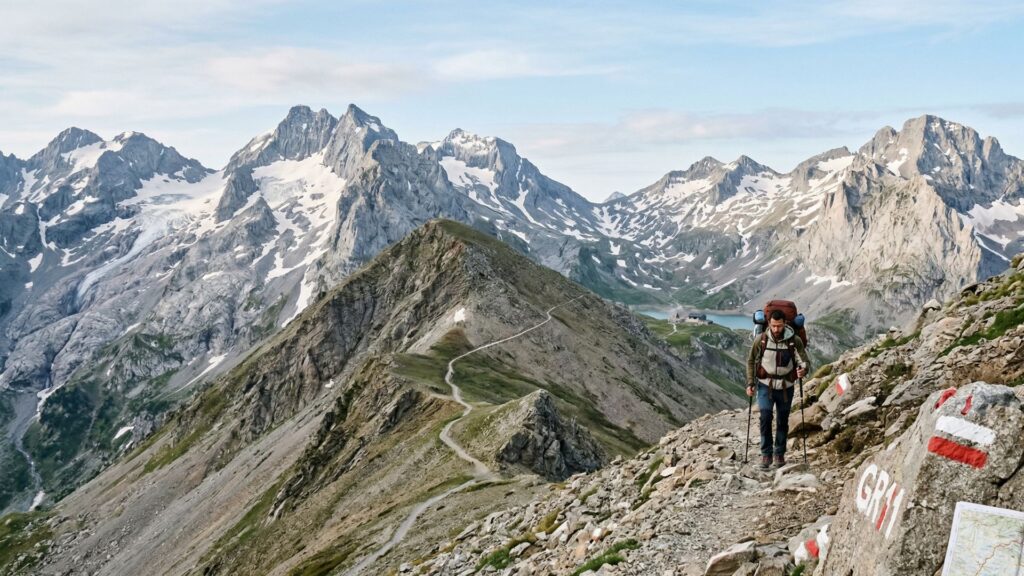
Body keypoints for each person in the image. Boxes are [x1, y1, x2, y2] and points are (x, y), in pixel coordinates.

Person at [746, 310, 810, 469]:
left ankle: (779, 454)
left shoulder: (794, 341)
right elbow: (751, 361)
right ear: (769, 324)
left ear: (784, 324)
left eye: (779, 326)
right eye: (773, 326)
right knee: (765, 417)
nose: (776, 329)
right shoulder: (761, 340)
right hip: (764, 385)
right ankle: (766, 455)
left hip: (785, 387)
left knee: (782, 420)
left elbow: (804, 361)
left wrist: (803, 370)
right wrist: (750, 383)